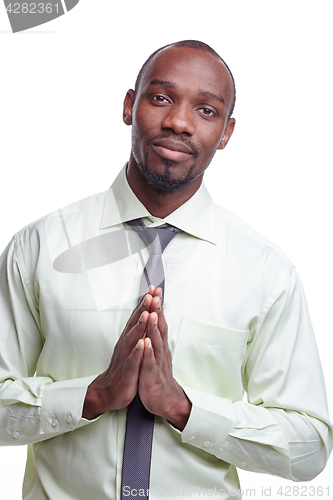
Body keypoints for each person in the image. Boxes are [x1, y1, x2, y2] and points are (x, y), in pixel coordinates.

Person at [0, 40, 332, 500]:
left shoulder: (265, 272)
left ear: (227, 132)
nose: (178, 121)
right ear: (128, 106)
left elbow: (309, 448)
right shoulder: (37, 247)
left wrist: (184, 408)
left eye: (206, 110)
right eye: (160, 98)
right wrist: (91, 396)